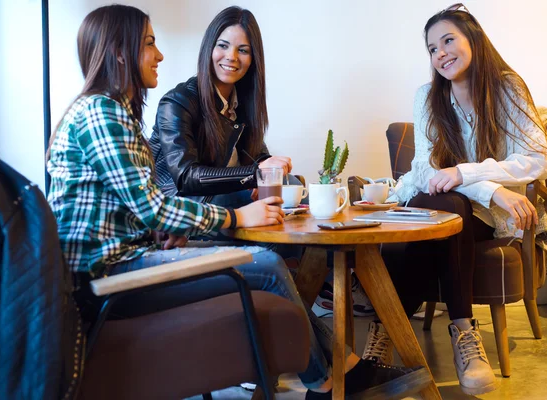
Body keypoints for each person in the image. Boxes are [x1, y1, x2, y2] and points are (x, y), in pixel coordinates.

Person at [46, 5, 430, 399]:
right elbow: (160, 198)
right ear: (120, 53)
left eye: (243, 50)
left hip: (129, 259)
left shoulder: (114, 111)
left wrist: (167, 227)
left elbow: (131, 207)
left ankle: (331, 373)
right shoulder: (107, 112)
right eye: (149, 43)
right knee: (266, 265)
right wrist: (229, 216)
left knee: (268, 261)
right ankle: (330, 379)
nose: (159, 54)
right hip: (110, 279)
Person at [361, 3, 547, 396]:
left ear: (475, 39)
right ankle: (464, 332)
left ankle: (385, 334)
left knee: (443, 212)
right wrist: (489, 186)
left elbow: (539, 158)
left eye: (448, 40)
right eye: (432, 48)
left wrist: (466, 176)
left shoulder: (506, 87)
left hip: (495, 216)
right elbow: (428, 171)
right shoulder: (427, 97)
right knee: (441, 209)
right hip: (450, 205)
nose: (441, 53)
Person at [148, 6, 293, 209]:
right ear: (209, 48)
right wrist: (255, 175)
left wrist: (269, 172)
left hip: (229, 198)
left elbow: (257, 156)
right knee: (257, 203)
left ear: (253, 60)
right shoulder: (176, 102)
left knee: (293, 186)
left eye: (242, 50)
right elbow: (185, 177)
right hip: (185, 206)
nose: (232, 56)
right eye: (223, 46)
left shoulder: (242, 102)